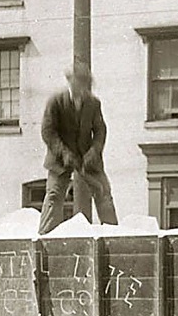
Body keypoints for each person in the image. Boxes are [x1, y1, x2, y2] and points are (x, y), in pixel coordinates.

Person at [38, 63, 118, 235]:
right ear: (70, 82)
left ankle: (114, 236)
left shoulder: (93, 103)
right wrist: (64, 153)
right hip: (60, 160)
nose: (80, 88)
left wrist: (94, 151)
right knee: (54, 196)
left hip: (87, 159)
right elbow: (48, 132)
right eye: (77, 83)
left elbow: (100, 130)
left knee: (104, 192)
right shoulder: (56, 101)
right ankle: (44, 239)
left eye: (83, 84)